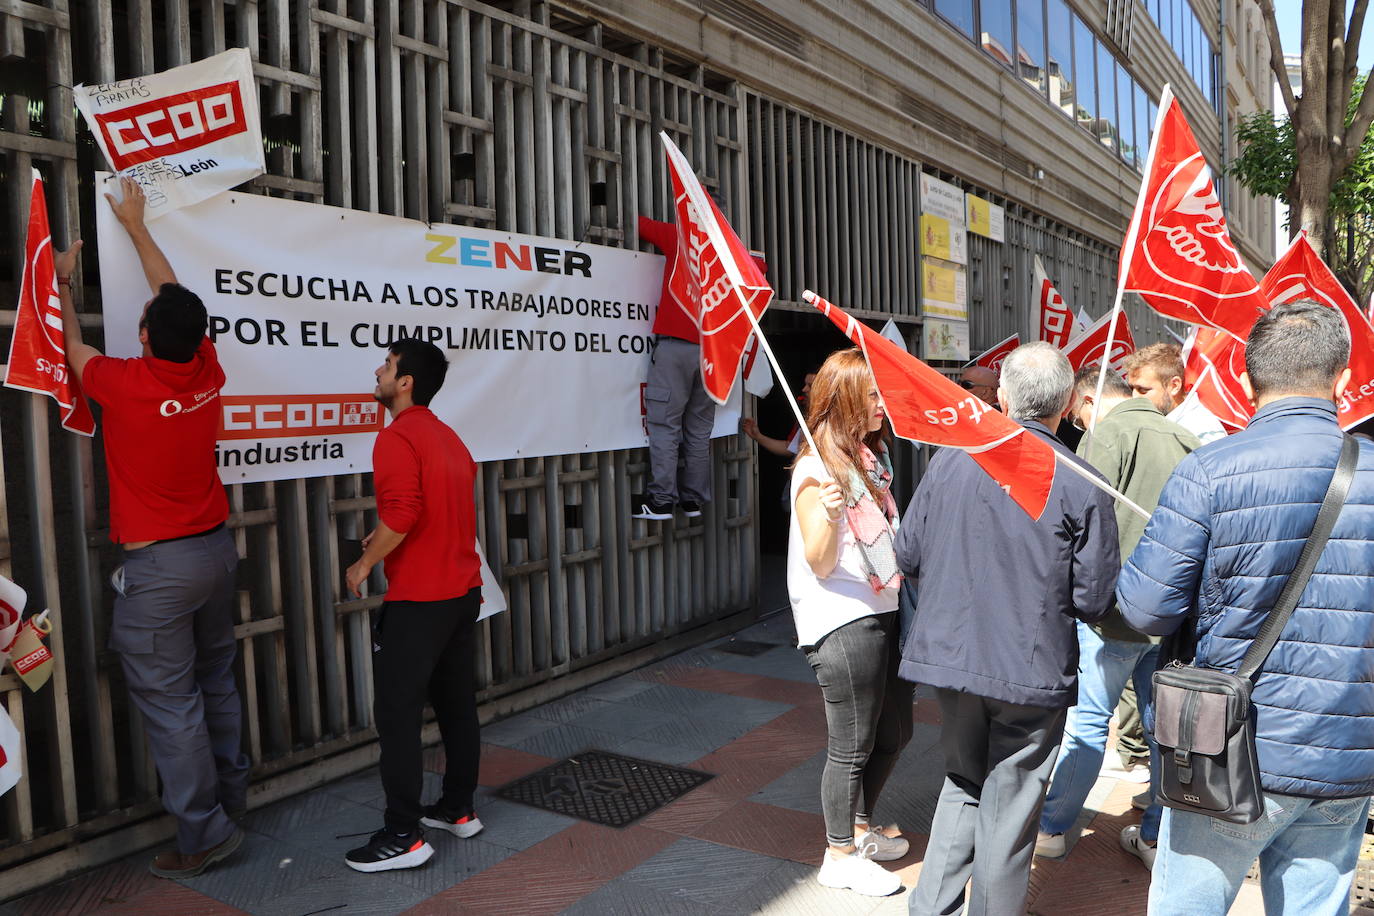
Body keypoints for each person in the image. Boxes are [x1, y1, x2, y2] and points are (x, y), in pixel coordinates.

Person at [1118, 300, 1374, 915]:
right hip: (1346, 749)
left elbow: (1145, 609)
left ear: (1247, 378)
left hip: (1231, 747)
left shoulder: (1209, 471)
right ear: (1341, 380)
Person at [56, 177, 248, 878]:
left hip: (161, 574)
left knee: (173, 707)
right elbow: (172, 299)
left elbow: (69, 344)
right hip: (214, 554)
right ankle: (231, 802)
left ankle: (205, 835)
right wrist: (137, 226)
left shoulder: (122, 384)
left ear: (142, 337)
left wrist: (62, 283)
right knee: (217, 682)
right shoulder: (206, 369)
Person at [896, 342, 1120, 916]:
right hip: (1028, 667)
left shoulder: (951, 458)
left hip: (953, 657)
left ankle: (932, 908)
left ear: (1000, 397)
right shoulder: (1080, 480)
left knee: (963, 781)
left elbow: (908, 552)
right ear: (1069, 403)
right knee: (1011, 801)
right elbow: (1094, 599)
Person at [1033, 366, 1198, 869]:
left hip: (1111, 615)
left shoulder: (1107, 436)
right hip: (1170, 617)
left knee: (1086, 728)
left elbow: (1074, 524)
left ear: (1085, 401)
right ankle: (1154, 835)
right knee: (1163, 733)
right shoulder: (1188, 439)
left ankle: (1053, 827)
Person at [343, 338, 484, 872]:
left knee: (398, 716)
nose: (378, 371)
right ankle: (457, 807)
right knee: (455, 704)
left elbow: (401, 514)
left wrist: (362, 565)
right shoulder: (449, 437)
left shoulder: (397, 436)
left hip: (421, 599)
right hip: (461, 593)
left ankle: (403, 834)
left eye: (387, 366)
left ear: (404, 383)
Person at [788, 348, 911, 898]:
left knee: (895, 731)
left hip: (884, 608)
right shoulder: (817, 467)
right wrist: (832, 514)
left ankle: (859, 828)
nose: (883, 404)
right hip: (842, 619)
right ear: (845, 401)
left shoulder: (869, 459)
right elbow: (818, 559)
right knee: (852, 743)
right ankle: (838, 854)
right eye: (872, 396)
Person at [1124, 342, 1227, 444]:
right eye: (1131, 388)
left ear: (1174, 386)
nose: (1134, 397)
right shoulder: (1145, 422)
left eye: (1143, 390)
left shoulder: (1203, 433)